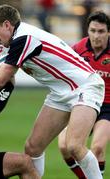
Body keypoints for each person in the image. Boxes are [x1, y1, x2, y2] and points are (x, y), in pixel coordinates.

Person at [0, 4, 105, 178]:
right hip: (60, 92)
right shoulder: (10, 41)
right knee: (32, 148)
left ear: (7, 25)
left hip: (86, 86)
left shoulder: (24, 38)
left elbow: (0, 81)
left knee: (73, 145)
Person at [58, 11, 110, 178]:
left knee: (98, 148)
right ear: (87, 30)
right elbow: (64, 73)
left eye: (101, 31)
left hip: (107, 107)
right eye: (93, 30)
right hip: (84, 102)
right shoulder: (78, 49)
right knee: (64, 147)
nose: (96, 36)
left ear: (109, 32)